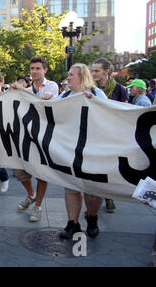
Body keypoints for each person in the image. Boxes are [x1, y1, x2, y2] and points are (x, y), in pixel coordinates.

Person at [58, 63, 108, 239]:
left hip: (94, 151)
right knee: (71, 188)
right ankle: (73, 223)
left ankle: (92, 219)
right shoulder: (64, 95)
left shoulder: (97, 94)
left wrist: (95, 103)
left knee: (92, 190)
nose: (68, 78)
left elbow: (109, 117)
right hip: (70, 150)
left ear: (82, 77)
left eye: (71, 75)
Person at [10, 57, 58, 222]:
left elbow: (50, 103)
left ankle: (37, 207)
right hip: (28, 134)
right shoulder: (28, 90)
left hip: (45, 135)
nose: (34, 71)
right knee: (19, 169)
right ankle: (31, 194)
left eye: (38, 68)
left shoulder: (52, 86)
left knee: (41, 172)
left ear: (45, 70)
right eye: (32, 68)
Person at [91, 58, 128, 213]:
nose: (93, 73)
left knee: (108, 167)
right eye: (92, 71)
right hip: (94, 134)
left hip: (111, 134)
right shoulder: (90, 88)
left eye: (96, 71)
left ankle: (108, 197)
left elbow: (124, 111)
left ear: (106, 71)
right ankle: (93, 201)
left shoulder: (119, 89)